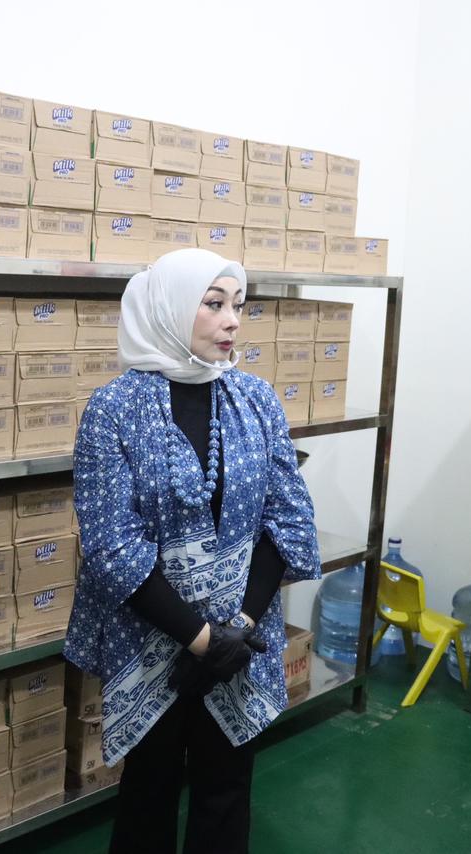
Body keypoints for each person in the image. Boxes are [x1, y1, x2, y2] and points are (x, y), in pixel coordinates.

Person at [64, 248, 321, 854]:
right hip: (151, 640)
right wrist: (203, 640)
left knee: (226, 791)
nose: (233, 321)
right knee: (147, 795)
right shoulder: (114, 410)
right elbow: (111, 546)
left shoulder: (255, 399)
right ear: (170, 308)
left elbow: (287, 519)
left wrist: (239, 628)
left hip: (239, 640)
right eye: (214, 304)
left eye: (238, 305)